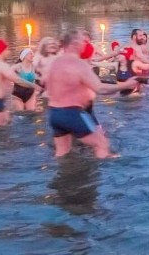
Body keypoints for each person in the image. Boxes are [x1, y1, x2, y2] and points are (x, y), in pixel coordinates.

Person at [43, 29, 140, 158]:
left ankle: (63, 177)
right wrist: (126, 85)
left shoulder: (55, 63)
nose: (85, 45)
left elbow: (45, 85)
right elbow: (100, 89)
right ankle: (104, 176)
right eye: (83, 42)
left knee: (62, 153)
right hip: (72, 113)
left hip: (54, 114)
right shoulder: (78, 64)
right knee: (102, 144)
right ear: (75, 44)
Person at [0, 38, 39, 128]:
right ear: (1, 50)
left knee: (5, 121)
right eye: (6, 49)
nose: (8, 51)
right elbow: (17, 80)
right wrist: (35, 86)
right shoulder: (2, 66)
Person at [11, 48, 39, 112]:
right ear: (24, 56)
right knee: (20, 116)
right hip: (18, 94)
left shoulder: (34, 66)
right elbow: (7, 74)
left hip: (30, 93)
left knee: (30, 114)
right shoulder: (17, 66)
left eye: (33, 53)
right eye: (30, 54)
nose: (33, 55)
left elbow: (39, 78)